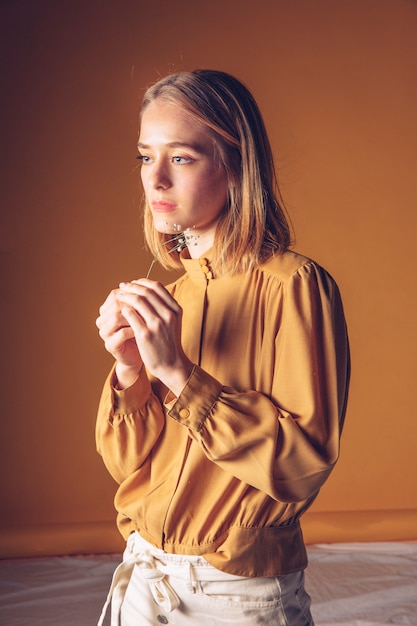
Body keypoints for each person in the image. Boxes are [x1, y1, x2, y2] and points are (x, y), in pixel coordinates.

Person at [95, 69, 350, 626]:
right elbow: (127, 467)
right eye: (145, 157)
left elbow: (302, 463)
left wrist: (181, 375)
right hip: (143, 576)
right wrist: (129, 370)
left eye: (181, 158)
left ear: (236, 165)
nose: (156, 179)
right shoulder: (171, 298)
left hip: (238, 593)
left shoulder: (295, 286)